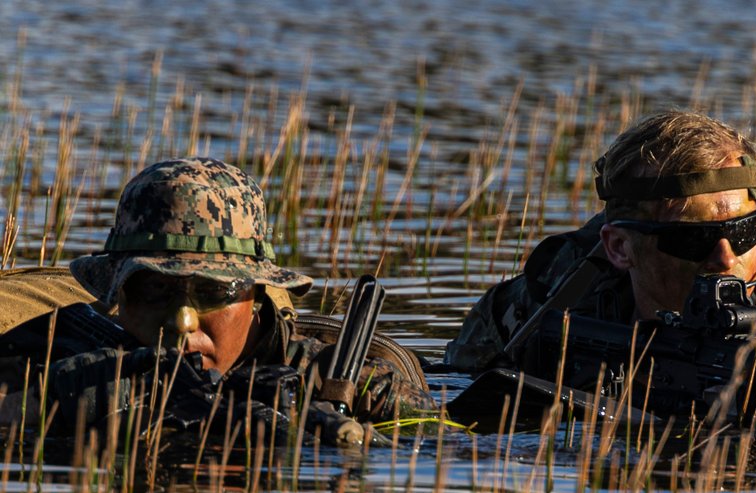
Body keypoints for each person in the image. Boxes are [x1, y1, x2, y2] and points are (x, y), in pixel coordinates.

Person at [445, 110, 756, 393]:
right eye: (690, 238)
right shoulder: (562, 292)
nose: (724, 258)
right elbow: (448, 379)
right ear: (619, 248)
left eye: (744, 231)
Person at [0, 157, 435, 443]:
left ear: (257, 298)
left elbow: (455, 450)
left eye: (212, 293)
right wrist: (59, 399)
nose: (184, 320)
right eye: (154, 289)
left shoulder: (345, 380)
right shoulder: (62, 357)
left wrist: (337, 435)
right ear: (118, 295)